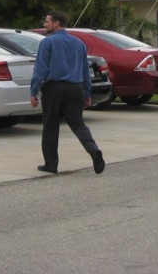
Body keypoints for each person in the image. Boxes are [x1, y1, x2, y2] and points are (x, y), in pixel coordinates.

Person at [30, 10, 105, 175]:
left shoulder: (47, 43)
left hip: (53, 88)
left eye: (47, 22)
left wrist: (33, 91)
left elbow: (40, 70)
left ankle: (51, 164)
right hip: (75, 88)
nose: (44, 25)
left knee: (50, 125)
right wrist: (86, 93)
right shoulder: (79, 43)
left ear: (56, 23)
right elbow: (85, 70)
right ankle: (93, 150)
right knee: (78, 123)